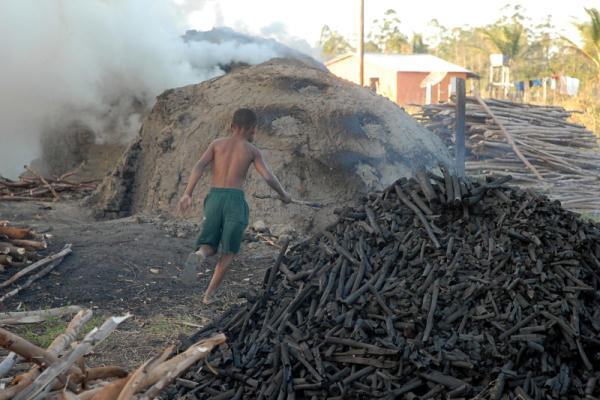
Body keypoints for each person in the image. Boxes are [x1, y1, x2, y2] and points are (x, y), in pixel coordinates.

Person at [178, 108, 291, 304]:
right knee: (229, 251)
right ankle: (208, 295)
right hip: (235, 201)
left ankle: (198, 255)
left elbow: (199, 166)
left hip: (214, 198)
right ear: (253, 129)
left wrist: (187, 193)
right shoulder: (252, 150)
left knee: (208, 245)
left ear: (232, 126)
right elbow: (267, 176)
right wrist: (283, 194)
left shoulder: (216, 144)